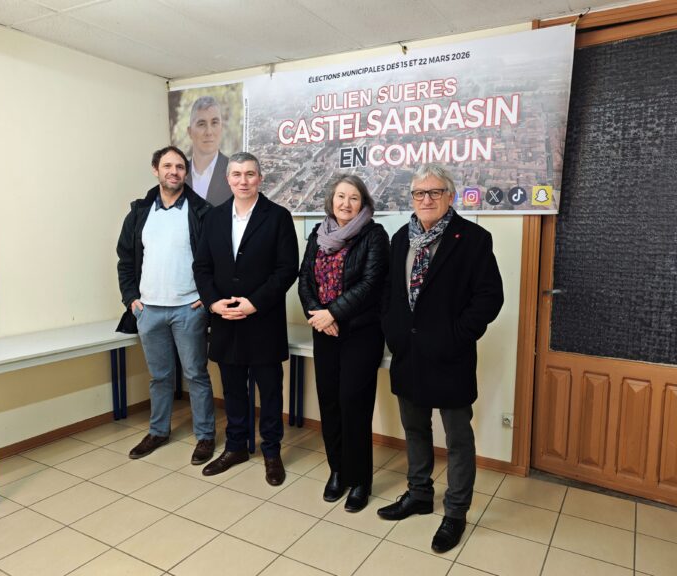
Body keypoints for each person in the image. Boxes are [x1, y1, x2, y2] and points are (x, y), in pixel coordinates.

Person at [377, 164, 503, 553]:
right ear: (411, 198)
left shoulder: (474, 239)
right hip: (408, 354)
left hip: (450, 356)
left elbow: (489, 298)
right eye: (419, 193)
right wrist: (394, 332)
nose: (426, 200)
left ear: (450, 196)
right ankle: (418, 494)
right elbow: (389, 294)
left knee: (458, 438)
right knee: (414, 430)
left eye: (435, 192)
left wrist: (456, 336)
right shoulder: (401, 238)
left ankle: (455, 512)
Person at [193, 151, 299, 485]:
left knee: (269, 390)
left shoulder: (278, 216)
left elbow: (286, 270)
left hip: (263, 319)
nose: (243, 180)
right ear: (228, 179)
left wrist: (254, 303)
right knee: (234, 388)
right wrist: (212, 303)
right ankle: (236, 446)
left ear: (260, 178)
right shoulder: (213, 218)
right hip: (225, 319)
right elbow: (202, 267)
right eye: (237, 174)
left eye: (250, 174)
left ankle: (271, 451)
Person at [116, 146, 216, 465]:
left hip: (189, 308)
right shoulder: (140, 212)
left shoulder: (201, 211)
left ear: (186, 173)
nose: (174, 171)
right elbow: (126, 260)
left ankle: (205, 436)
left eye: (180, 167)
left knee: (196, 374)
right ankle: (158, 431)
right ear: (155, 170)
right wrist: (132, 299)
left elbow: (217, 259)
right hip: (149, 311)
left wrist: (207, 297)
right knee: (160, 377)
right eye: (167, 166)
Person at [298, 175, 389, 512]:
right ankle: (337, 470)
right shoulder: (318, 235)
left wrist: (332, 313)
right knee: (330, 403)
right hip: (324, 332)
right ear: (331, 200)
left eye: (353, 198)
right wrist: (319, 314)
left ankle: (360, 479)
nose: (345, 203)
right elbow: (304, 278)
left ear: (363, 203)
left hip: (361, 332)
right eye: (340, 196)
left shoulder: (374, 236)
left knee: (354, 404)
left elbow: (370, 284)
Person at [185, 96, 230, 206]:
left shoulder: (235, 173)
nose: (209, 132)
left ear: (221, 128)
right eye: (201, 124)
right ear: (190, 132)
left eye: (214, 123)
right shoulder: (179, 175)